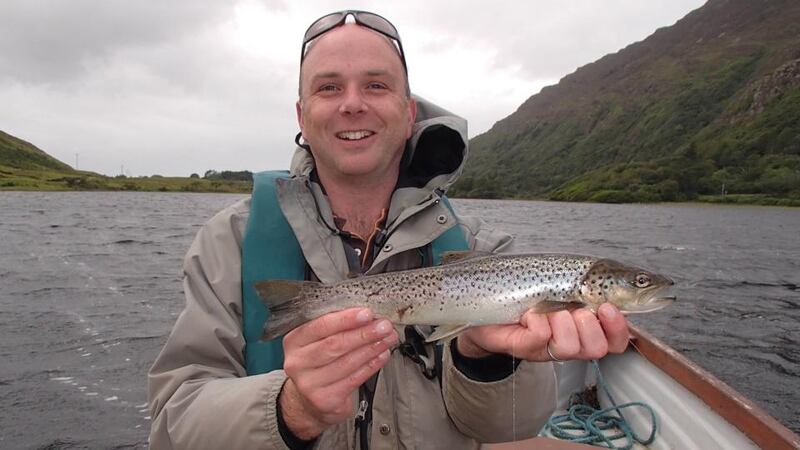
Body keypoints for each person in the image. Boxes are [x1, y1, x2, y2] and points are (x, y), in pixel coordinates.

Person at [148, 10, 629, 449]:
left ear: (408, 114)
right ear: (302, 115)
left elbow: (512, 430)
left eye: (376, 86)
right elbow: (172, 425)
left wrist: (483, 356)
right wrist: (290, 409)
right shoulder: (227, 242)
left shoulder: (485, 249)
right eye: (329, 88)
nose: (352, 104)